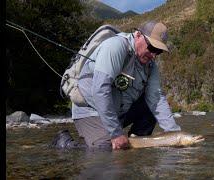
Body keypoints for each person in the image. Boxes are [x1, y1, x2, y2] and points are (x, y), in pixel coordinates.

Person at [70, 20, 181, 150]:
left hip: (118, 112)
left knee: (150, 109)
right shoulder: (115, 47)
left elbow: (156, 98)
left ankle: (135, 144)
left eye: (158, 51)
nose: (154, 55)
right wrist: (116, 133)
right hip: (91, 111)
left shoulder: (150, 66)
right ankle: (66, 144)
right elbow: (100, 90)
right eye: (152, 48)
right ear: (138, 35)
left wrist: (175, 134)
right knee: (106, 149)